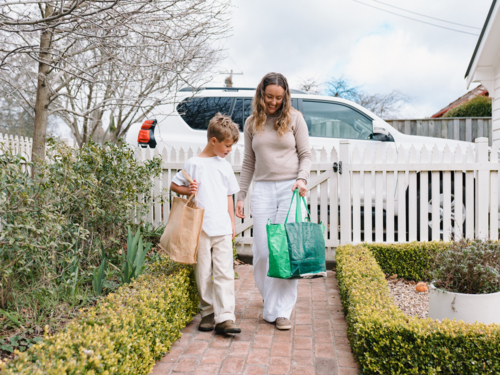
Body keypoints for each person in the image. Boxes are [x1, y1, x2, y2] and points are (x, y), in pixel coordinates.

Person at [235, 72, 312, 330]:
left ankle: (281, 312)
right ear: (261, 93)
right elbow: (249, 162)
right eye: (269, 96)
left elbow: (306, 154)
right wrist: (241, 194)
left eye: (279, 97)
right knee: (263, 252)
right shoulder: (251, 123)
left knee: (285, 252)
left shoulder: (295, 119)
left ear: (285, 96)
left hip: (291, 189)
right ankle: (270, 296)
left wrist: (302, 179)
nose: (273, 102)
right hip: (263, 190)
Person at [170, 113, 241, 334]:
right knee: (202, 272)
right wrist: (187, 189)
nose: (229, 150)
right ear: (214, 141)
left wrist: (232, 222)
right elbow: (174, 186)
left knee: (224, 272)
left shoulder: (225, 166)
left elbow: (230, 195)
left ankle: (226, 317)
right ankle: (208, 312)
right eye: (227, 146)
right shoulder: (194, 163)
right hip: (200, 227)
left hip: (221, 226)